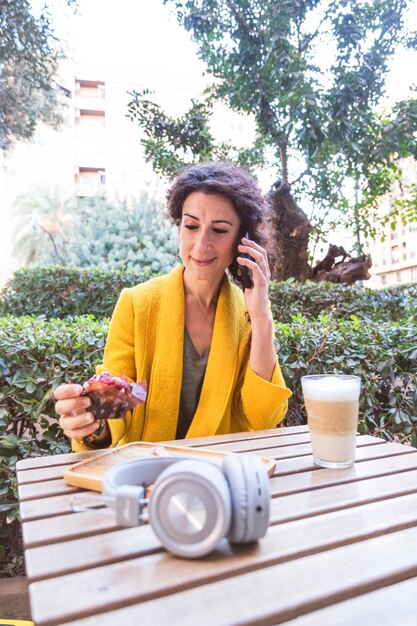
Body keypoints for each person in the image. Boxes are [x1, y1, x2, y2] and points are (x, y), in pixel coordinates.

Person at [54, 161, 292, 451]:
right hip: (149, 478)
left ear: (242, 240)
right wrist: (92, 425)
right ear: (179, 227)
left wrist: (261, 315)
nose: (200, 245)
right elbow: (116, 401)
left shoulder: (249, 315)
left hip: (220, 475)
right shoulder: (137, 304)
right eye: (191, 226)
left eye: (218, 230)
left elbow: (262, 418)